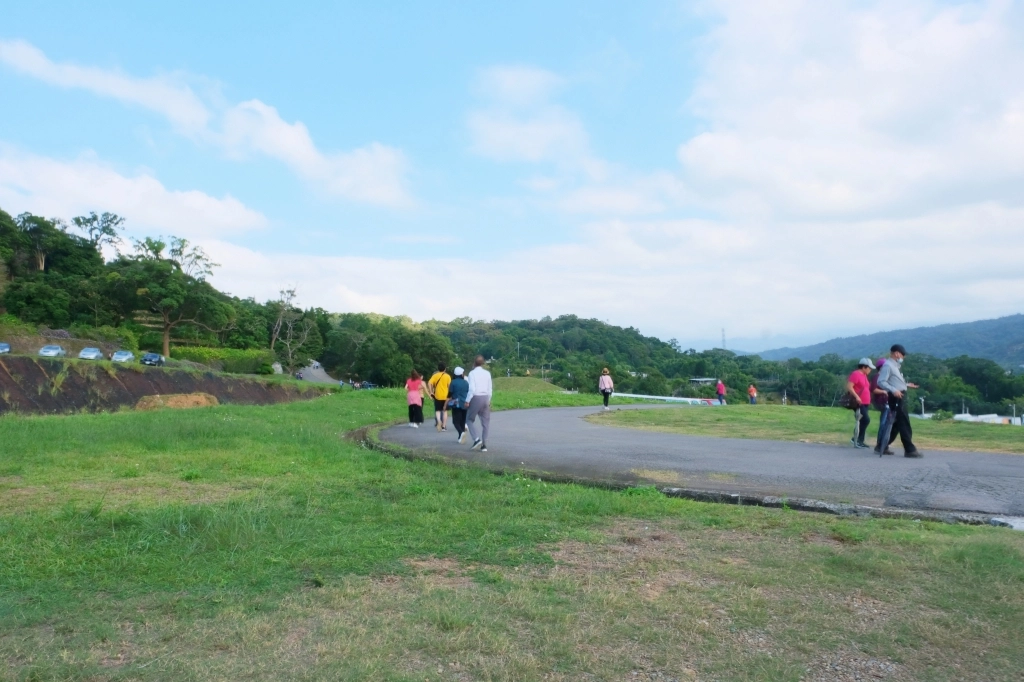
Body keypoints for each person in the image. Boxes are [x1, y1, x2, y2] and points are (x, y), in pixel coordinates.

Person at [875, 344, 922, 457]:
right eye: (902, 355)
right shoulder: (888, 365)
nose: (903, 357)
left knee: (895, 424)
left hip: (900, 394)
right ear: (896, 353)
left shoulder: (895, 366)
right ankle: (909, 449)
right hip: (896, 397)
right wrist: (894, 390)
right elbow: (881, 382)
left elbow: (894, 381)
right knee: (904, 422)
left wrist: (906, 385)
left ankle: (882, 445)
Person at [845, 358, 876, 449]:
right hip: (859, 402)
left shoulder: (864, 375)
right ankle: (856, 439)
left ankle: (859, 440)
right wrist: (857, 396)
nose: (870, 370)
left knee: (862, 420)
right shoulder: (856, 374)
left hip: (865, 402)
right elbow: (850, 387)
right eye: (869, 368)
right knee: (865, 420)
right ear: (864, 367)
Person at [465, 355, 493, 452]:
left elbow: (472, 388)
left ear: (474, 363)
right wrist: (489, 400)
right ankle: (484, 445)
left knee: (469, 419)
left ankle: (476, 439)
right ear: (483, 363)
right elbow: (490, 388)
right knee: (485, 423)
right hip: (485, 397)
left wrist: (467, 400)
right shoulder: (487, 373)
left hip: (476, 397)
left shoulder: (472, 374)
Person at [870, 358, 893, 455]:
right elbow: (873, 389)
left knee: (886, 424)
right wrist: (884, 391)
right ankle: (880, 445)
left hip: (886, 403)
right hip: (882, 403)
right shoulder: (877, 376)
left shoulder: (884, 377)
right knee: (884, 424)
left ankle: (883, 445)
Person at [427, 362, 452, 432]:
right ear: (445, 369)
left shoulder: (435, 375)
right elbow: (449, 386)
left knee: (438, 411)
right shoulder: (448, 376)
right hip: (445, 396)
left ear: (438, 368)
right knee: (445, 411)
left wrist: (431, 392)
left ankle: (438, 421)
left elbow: (429, 383)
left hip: (437, 396)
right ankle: (443, 426)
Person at [448, 366, 470, 443]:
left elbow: (450, 393)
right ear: (461, 374)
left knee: (455, 421)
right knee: (463, 420)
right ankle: (460, 437)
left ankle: (461, 433)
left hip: (456, 403)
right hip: (465, 403)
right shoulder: (466, 382)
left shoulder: (453, 382)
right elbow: (468, 392)